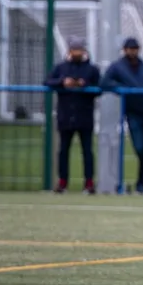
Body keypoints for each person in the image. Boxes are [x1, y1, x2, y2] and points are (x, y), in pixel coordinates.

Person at [101, 37, 143, 195]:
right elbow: (104, 83)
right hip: (133, 112)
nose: (132, 52)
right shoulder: (118, 67)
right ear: (124, 50)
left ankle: (141, 184)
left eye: (135, 49)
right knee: (139, 148)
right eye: (130, 49)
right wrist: (121, 88)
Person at [45, 38, 100, 194]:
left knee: (87, 151)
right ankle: (62, 182)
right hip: (65, 116)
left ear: (84, 51)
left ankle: (89, 183)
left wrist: (85, 84)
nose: (77, 52)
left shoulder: (92, 69)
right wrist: (63, 82)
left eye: (79, 49)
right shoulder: (61, 68)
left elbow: (100, 87)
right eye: (74, 49)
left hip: (85, 116)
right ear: (69, 51)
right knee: (63, 150)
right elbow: (47, 81)